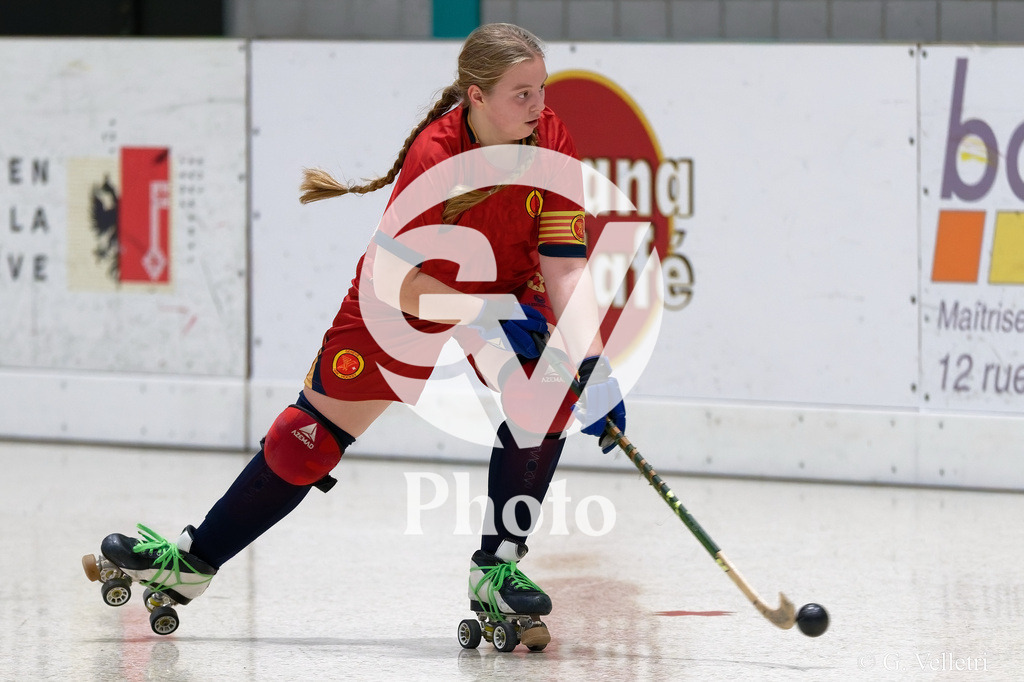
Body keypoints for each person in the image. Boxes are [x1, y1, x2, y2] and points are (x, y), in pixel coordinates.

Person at [88, 23, 626, 650]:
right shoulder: (435, 158)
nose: (539, 108)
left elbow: (563, 263)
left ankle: (497, 569)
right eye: (521, 94)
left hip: (508, 283)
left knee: (545, 397)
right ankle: (191, 562)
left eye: (541, 90)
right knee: (304, 443)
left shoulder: (553, 139)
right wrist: (485, 315)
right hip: (414, 291)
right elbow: (398, 284)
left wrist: (590, 359)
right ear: (476, 98)